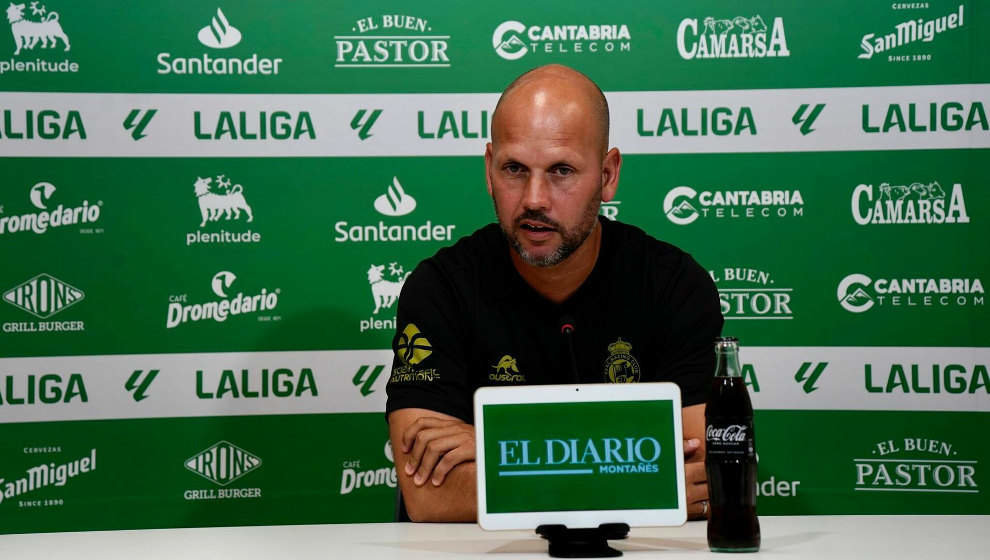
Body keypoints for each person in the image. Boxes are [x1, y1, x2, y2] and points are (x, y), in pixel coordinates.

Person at [385, 64, 723, 522]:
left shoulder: (674, 285)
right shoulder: (440, 287)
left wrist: (498, 448)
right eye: (514, 169)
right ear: (488, 169)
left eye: (562, 170)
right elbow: (430, 496)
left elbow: (703, 480)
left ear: (607, 175)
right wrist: (629, 474)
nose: (534, 199)